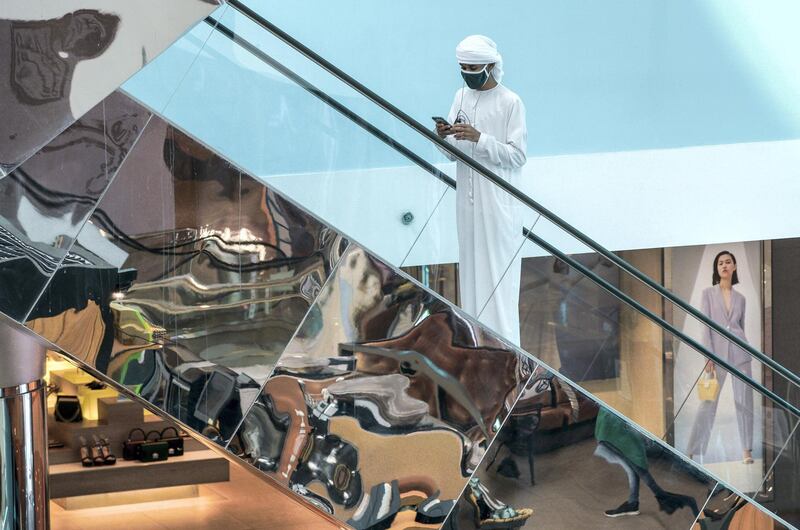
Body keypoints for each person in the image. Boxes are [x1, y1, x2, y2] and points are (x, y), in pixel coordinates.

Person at [436, 35, 528, 346]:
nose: (467, 72)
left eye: (473, 67)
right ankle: (475, 344)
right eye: (462, 67)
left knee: (497, 281)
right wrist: (443, 137)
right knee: (471, 275)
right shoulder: (460, 96)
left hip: (498, 203)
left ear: (490, 66)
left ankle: (502, 350)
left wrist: (480, 139)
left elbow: (517, 156)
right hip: (467, 201)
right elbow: (452, 153)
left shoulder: (510, 102)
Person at [687, 250, 755, 464]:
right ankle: (692, 450)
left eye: (728, 262)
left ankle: (747, 451)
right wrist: (708, 356)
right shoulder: (708, 293)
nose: (724, 266)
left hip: (740, 356)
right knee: (708, 401)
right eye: (720, 263)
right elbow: (705, 325)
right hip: (716, 355)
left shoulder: (741, 299)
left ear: (734, 267)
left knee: (745, 403)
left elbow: (739, 327)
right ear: (716, 269)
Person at [595, 408, 699, 518]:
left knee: (637, 467)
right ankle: (634, 503)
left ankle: (667, 497)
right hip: (614, 430)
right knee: (632, 468)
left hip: (618, 433)